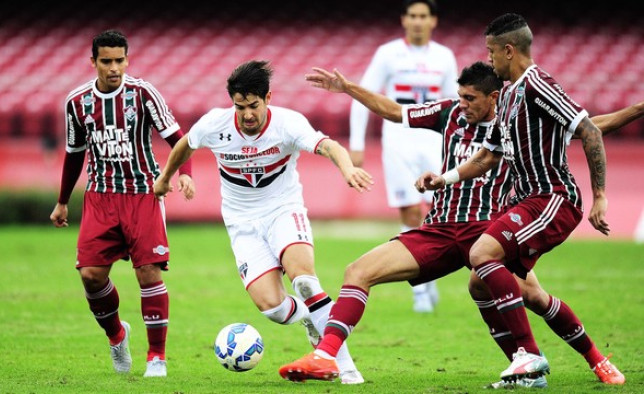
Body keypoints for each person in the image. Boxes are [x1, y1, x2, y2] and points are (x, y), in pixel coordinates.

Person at [278, 63, 638, 386]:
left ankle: (597, 360)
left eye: (470, 98)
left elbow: (593, 126)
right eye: (460, 96)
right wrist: (349, 88)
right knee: (358, 270)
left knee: (535, 298)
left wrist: (639, 109)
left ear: (493, 97)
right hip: (440, 228)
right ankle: (325, 356)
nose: (462, 103)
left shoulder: (519, 121)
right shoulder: (449, 113)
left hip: (490, 231)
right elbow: (395, 111)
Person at [417, 13, 617, 383]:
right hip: (523, 202)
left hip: (553, 198)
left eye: (491, 52)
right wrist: (442, 179)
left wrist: (599, 196)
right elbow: (488, 155)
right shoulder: (507, 95)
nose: (489, 59)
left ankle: (528, 357)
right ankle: (590, 361)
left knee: (480, 255)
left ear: (509, 51)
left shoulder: (538, 85)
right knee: (486, 282)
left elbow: (589, 130)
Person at [153, 60, 373, 384]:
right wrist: (165, 177)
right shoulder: (216, 124)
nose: (247, 114)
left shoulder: (287, 123)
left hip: (283, 210)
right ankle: (311, 319)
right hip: (242, 224)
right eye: (240, 107)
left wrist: (347, 168)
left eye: (253, 105)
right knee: (273, 308)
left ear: (268, 97)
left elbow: (328, 145)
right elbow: (186, 144)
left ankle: (341, 364)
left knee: (306, 281)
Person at [49, 29, 195, 378]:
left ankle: (156, 357)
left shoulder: (143, 94)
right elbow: (74, 154)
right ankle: (117, 336)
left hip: (144, 192)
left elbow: (180, 138)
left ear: (127, 60)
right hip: (100, 197)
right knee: (90, 276)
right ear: (94, 62)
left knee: (148, 273)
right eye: (106, 61)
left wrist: (184, 174)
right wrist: (62, 202)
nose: (114, 67)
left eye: (119, 60)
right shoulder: (78, 102)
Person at [350, 0, 459, 313]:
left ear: (433, 21)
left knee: (440, 212)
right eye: (412, 16)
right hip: (397, 140)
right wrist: (357, 142)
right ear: (404, 19)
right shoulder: (388, 54)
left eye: (423, 16)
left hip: (433, 140)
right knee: (411, 211)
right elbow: (364, 96)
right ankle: (421, 290)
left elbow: (455, 103)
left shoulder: (444, 56)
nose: (417, 22)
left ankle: (429, 272)